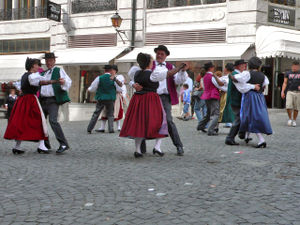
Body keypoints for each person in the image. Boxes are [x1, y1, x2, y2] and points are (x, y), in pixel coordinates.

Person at [120, 53, 185, 158]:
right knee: (160, 122)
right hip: (151, 99)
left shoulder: (136, 73)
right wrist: (180, 67)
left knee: (139, 123)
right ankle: (157, 147)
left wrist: (133, 84)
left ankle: (138, 150)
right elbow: (169, 73)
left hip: (138, 99)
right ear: (149, 63)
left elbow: (131, 79)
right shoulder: (152, 74)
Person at [4, 58, 61, 154]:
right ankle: (42, 146)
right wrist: (55, 81)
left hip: (22, 101)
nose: (38, 67)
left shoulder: (25, 75)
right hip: (30, 101)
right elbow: (42, 82)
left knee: (21, 123)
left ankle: (17, 147)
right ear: (32, 66)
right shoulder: (31, 76)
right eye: (37, 65)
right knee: (40, 121)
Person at [235, 57, 272, 148]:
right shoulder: (263, 76)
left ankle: (261, 139)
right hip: (259, 97)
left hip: (250, 96)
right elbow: (265, 85)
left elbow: (237, 79)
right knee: (253, 115)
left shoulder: (247, 73)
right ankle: (247, 136)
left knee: (250, 116)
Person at [39, 53, 72, 154]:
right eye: (47, 60)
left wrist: (63, 82)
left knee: (53, 121)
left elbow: (68, 81)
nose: (48, 62)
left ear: (54, 61)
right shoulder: (43, 73)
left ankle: (63, 144)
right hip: (42, 100)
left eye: (50, 60)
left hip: (53, 100)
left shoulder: (59, 70)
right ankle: (45, 144)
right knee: (41, 123)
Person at [87, 65, 123, 134]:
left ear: (105, 71)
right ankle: (111, 129)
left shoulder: (99, 78)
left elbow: (93, 88)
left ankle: (90, 128)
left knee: (96, 113)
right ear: (111, 71)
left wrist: (89, 89)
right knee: (110, 114)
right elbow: (119, 89)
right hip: (110, 98)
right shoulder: (113, 79)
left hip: (101, 98)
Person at [225, 59, 248, 145]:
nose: (245, 67)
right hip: (236, 100)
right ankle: (230, 137)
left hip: (236, 99)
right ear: (239, 66)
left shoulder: (237, 74)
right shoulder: (236, 74)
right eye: (243, 65)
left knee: (241, 117)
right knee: (238, 118)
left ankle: (242, 133)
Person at [97, 65, 125, 132]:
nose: (110, 71)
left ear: (115, 71)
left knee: (117, 111)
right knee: (105, 111)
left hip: (116, 96)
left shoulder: (119, 77)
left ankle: (118, 126)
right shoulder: (106, 77)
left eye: (111, 70)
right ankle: (102, 127)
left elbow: (121, 87)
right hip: (108, 96)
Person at [197, 62, 220, 136]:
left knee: (208, 113)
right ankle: (211, 130)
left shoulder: (204, 76)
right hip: (213, 94)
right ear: (211, 68)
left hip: (206, 95)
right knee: (216, 113)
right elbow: (218, 85)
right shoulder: (212, 76)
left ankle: (200, 126)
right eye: (213, 67)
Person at [281, 61, 300, 127]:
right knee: (288, 105)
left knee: (296, 107)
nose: (295, 68)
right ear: (292, 66)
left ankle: (294, 120)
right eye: (294, 66)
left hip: (298, 92)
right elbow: (285, 82)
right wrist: (282, 91)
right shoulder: (288, 73)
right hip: (289, 91)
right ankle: (290, 118)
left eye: (296, 66)